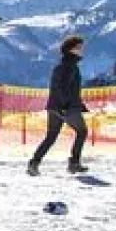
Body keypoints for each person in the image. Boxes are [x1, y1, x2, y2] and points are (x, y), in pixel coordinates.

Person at [28, 35, 89, 176]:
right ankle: (74, 163)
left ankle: (34, 163)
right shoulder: (70, 66)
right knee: (82, 131)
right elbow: (63, 87)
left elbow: (58, 86)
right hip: (67, 107)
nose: (82, 50)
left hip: (54, 106)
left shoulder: (63, 64)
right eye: (79, 47)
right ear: (71, 49)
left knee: (51, 136)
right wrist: (65, 105)